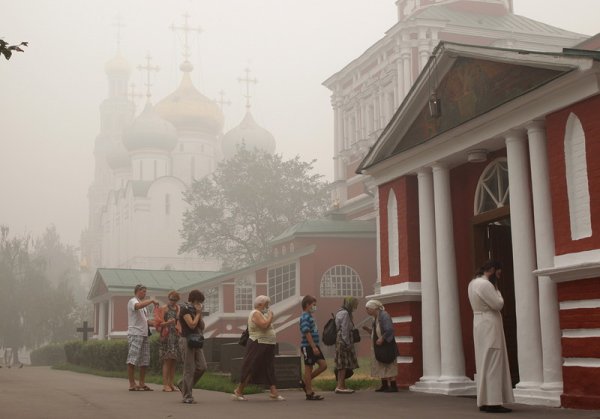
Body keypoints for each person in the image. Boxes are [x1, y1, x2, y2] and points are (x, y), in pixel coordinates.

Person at [468, 260, 514, 413]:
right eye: (498, 273)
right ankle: (493, 402)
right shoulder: (486, 285)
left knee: (483, 361)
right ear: (493, 270)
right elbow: (498, 304)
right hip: (489, 323)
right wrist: (498, 291)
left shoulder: (472, 283)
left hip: (479, 323)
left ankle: (485, 400)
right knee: (493, 360)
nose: (499, 277)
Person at [232, 295, 284, 401]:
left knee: (269, 367)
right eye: (266, 304)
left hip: (268, 344)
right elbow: (264, 325)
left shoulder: (262, 314)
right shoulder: (255, 313)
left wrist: (268, 316)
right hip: (258, 343)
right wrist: (270, 316)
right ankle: (239, 391)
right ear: (260, 304)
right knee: (250, 366)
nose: (268, 307)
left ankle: (274, 392)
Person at [126, 284, 159, 391]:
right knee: (133, 359)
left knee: (145, 360)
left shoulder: (143, 306)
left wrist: (159, 323)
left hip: (144, 334)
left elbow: (146, 321)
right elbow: (137, 307)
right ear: (137, 291)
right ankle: (132, 383)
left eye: (145, 291)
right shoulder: (133, 301)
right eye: (143, 291)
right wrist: (151, 301)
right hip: (135, 334)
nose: (145, 293)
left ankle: (141, 383)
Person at [177, 289, 207, 404]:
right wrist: (198, 313)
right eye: (199, 302)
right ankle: (187, 396)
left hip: (197, 340)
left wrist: (199, 314)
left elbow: (202, 326)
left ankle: (182, 384)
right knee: (189, 368)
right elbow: (191, 324)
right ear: (194, 300)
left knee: (202, 366)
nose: (200, 304)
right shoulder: (185, 309)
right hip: (186, 340)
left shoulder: (195, 310)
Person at [363, 299, 398, 392]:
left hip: (387, 345)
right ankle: (385, 385)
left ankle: (393, 386)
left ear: (374, 308)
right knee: (381, 364)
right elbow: (375, 332)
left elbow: (389, 330)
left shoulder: (384, 316)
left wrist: (382, 338)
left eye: (368, 309)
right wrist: (368, 330)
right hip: (379, 345)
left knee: (389, 363)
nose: (367, 311)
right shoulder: (375, 318)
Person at [299, 295, 327, 401]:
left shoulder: (310, 316)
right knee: (308, 368)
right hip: (308, 346)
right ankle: (309, 393)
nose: (315, 307)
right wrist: (313, 346)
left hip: (315, 346)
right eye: (314, 305)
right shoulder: (305, 316)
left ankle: (305, 382)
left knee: (323, 365)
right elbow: (306, 332)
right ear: (307, 305)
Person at [155, 290, 183, 392]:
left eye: (174, 300)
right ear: (168, 298)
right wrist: (168, 323)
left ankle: (171, 383)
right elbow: (157, 324)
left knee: (173, 361)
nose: (172, 301)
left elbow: (180, 322)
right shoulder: (163, 309)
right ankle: (165, 384)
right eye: (171, 299)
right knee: (167, 361)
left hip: (175, 337)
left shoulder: (178, 309)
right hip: (166, 337)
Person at [334, 296, 359, 394]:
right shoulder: (345, 314)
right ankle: (340, 386)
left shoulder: (340, 312)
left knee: (342, 364)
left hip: (339, 339)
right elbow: (344, 329)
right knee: (343, 364)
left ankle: (341, 385)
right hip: (343, 341)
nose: (355, 307)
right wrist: (347, 343)